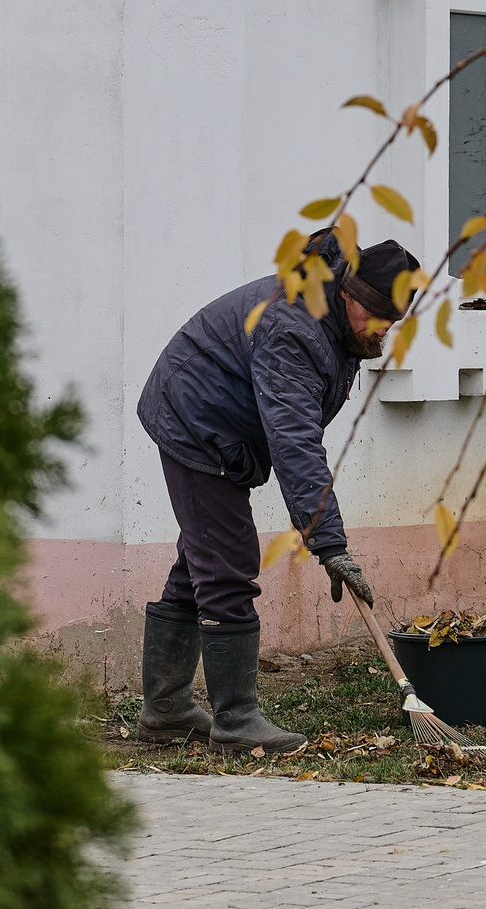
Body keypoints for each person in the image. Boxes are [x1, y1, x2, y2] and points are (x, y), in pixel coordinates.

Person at [133, 228, 420, 752]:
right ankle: (235, 720)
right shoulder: (296, 329)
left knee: (203, 559)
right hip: (195, 418)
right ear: (349, 293)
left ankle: (166, 708)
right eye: (377, 316)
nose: (383, 330)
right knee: (227, 564)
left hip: (221, 422)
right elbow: (295, 442)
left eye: (393, 321)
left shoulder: (338, 322)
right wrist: (329, 543)